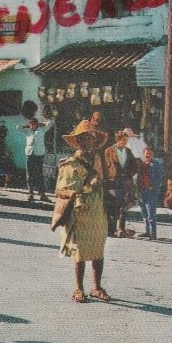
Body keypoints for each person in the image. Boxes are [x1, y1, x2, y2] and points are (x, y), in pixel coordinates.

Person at [53, 119, 112, 304]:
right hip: (80, 212)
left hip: (97, 210)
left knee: (98, 250)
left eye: (91, 138)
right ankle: (79, 288)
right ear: (78, 142)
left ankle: (97, 287)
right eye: (84, 138)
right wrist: (87, 187)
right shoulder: (71, 164)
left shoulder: (99, 161)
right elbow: (61, 190)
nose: (89, 141)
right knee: (80, 252)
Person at [105, 129, 139, 237]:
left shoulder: (128, 151)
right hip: (113, 182)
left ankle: (121, 229)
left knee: (123, 207)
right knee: (113, 206)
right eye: (123, 140)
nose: (125, 142)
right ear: (118, 140)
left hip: (125, 182)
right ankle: (111, 230)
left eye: (126, 140)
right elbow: (105, 167)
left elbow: (134, 165)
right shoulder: (109, 151)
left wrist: (132, 176)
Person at [136, 145, 165, 240]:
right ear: (143, 154)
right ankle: (147, 231)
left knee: (151, 213)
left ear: (153, 155)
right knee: (143, 212)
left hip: (151, 192)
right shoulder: (141, 164)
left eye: (150, 153)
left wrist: (153, 187)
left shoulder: (157, 165)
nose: (148, 155)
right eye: (146, 153)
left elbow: (160, 179)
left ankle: (153, 233)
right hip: (141, 191)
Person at [23, 116, 52, 203]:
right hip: (30, 154)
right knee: (30, 174)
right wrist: (27, 126)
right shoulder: (27, 132)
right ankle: (30, 193)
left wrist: (41, 124)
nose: (32, 126)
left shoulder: (42, 130)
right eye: (31, 124)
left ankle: (42, 194)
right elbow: (18, 127)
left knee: (39, 174)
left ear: (37, 124)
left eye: (34, 124)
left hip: (39, 154)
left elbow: (50, 123)